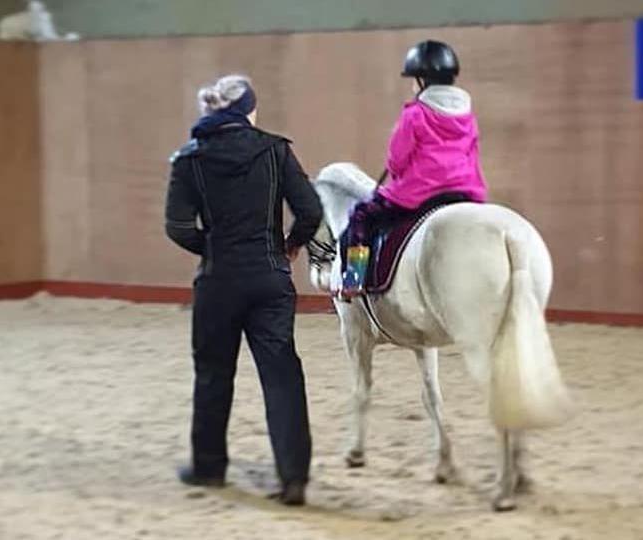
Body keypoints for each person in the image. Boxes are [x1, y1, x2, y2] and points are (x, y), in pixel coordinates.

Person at [164, 74, 323, 506]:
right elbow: (310, 210)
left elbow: (177, 227)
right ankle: (293, 479)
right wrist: (288, 246)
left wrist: (212, 246)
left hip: (218, 280)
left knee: (214, 373)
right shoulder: (275, 150)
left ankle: (209, 468)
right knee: (282, 376)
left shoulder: (188, 159)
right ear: (249, 110)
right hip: (270, 277)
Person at [341, 40, 488, 297]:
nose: (412, 85)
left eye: (413, 79)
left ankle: (354, 279)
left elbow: (398, 159)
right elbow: (472, 155)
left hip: (420, 193)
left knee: (361, 215)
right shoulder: (468, 116)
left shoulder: (415, 113)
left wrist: (395, 171)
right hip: (465, 192)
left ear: (422, 80)